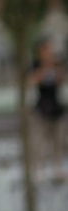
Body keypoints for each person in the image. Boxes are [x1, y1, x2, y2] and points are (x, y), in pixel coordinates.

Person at [29, 38, 66, 181]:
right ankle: (40, 169)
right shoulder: (36, 64)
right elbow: (32, 80)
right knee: (39, 142)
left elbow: (62, 79)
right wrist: (44, 67)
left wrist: (54, 67)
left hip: (56, 108)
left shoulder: (57, 64)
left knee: (59, 141)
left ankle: (58, 168)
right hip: (41, 108)